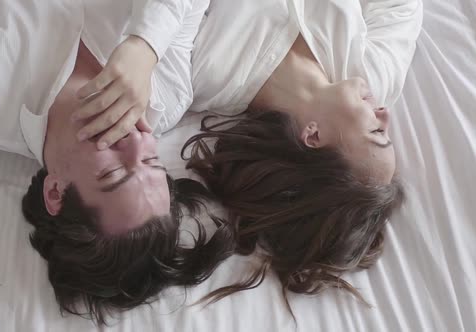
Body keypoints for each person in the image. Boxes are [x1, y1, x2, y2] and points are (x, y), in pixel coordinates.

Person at [0, 0, 235, 324]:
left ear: (56, 192)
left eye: (114, 171)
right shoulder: (167, 93)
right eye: (152, 160)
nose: (136, 140)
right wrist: (145, 45)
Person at [181, 0, 422, 308]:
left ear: (314, 136)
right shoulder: (370, 78)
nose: (385, 114)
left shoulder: (209, 73)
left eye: (377, 132)